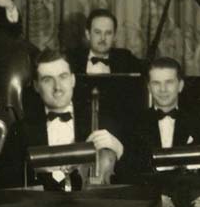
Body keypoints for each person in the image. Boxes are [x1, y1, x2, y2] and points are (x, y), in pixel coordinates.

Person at [10, 49, 126, 190]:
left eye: (63, 77)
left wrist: (119, 149)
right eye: (47, 80)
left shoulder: (101, 121)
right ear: (36, 86)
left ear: (73, 80)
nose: (57, 87)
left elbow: (127, 178)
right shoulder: (20, 130)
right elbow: (12, 184)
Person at [120, 56, 200, 175]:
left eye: (169, 82)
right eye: (156, 83)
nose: (163, 89)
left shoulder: (198, 121)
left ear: (180, 86)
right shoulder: (134, 123)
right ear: (149, 87)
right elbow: (129, 169)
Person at [68, 8, 145, 75]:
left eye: (108, 33)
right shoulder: (72, 59)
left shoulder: (126, 59)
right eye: (97, 32)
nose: (103, 38)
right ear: (88, 34)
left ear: (114, 36)